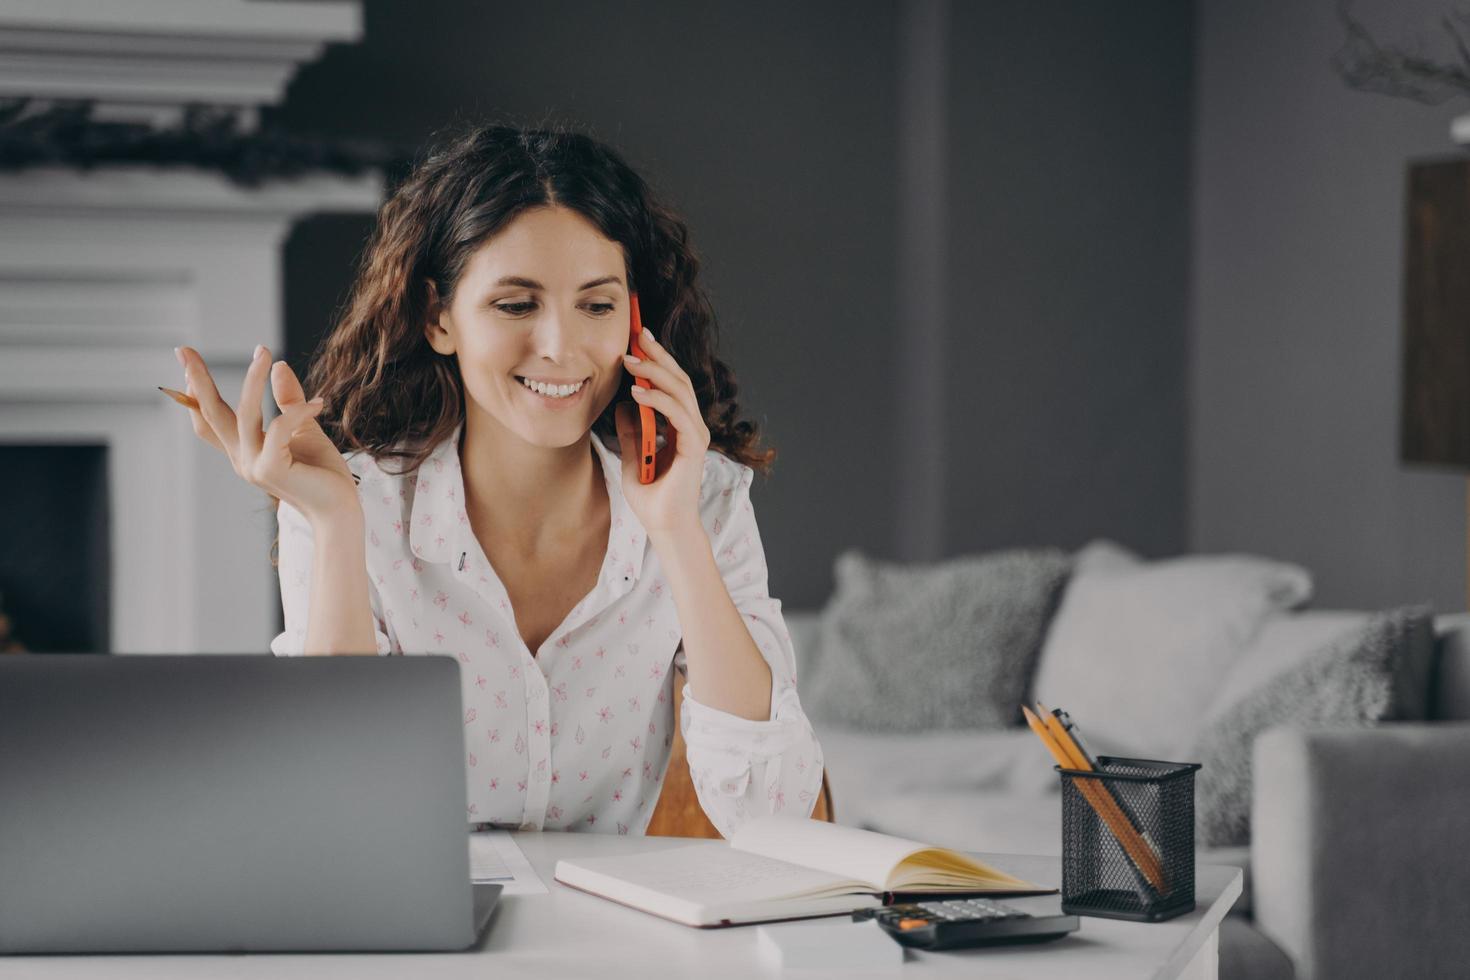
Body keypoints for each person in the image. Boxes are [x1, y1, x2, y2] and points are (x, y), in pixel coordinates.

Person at [169, 123, 823, 838]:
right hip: (421, 938)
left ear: (635, 321)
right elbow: (336, 811)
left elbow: (771, 811)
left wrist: (675, 531)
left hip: (614, 938)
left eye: (597, 306)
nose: (560, 347)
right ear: (437, 317)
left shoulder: (704, 498)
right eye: (516, 305)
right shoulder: (352, 508)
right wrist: (333, 526)